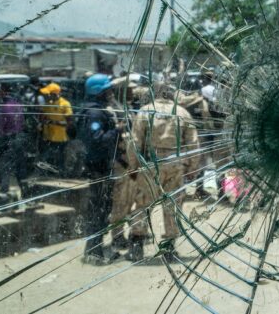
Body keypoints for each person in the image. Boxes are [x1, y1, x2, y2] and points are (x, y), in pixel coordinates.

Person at [123, 84, 200, 261]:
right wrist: (191, 169)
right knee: (172, 206)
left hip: (150, 164)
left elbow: (134, 142)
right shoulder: (182, 113)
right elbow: (193, 144)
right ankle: (169, 249)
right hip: (175, 164)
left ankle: (137, 246)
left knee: (142, 204)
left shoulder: (144, 111)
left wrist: (133, 166)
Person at [78, 74, 124, 265]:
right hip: (98, 167)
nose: (110, 93)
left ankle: (96, 248)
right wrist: (118, 130)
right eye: (108, 90)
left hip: (101, 166)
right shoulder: (95, 114)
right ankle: (94, 252)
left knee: (102, 209)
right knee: (98, 210)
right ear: (99, 92)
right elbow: (97, 140)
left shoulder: (96, 110)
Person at [0, 83, 28, 204]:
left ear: (4, 92)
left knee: (4, 167)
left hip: (7, 141)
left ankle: (4, 194)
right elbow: (22, 123)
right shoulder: (18, 106)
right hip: (19, 140)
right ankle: (26, 194)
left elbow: (0, 129)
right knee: (20, 169)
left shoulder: (3, 108)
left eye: (0, 90)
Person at [39, 83, 73, 174]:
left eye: (48, 94)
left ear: (54, 94)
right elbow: (43, 118)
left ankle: (60, 174)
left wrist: (53, 123)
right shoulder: (48, 104)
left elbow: (69, 122)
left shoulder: (65, 104)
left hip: (60, 138)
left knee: (60, 158)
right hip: (48, 136)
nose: (46, 96)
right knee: (49, 159)